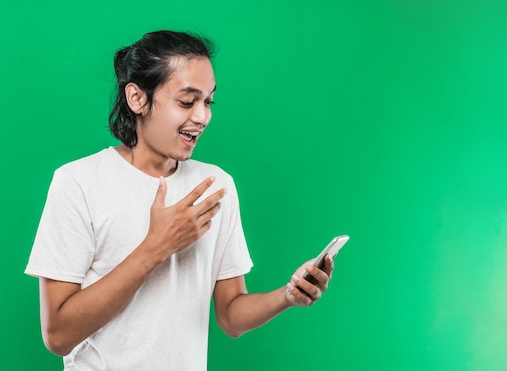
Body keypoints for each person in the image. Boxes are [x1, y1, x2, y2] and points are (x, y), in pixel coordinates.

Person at [25, 30, 334, 371]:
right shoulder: (78, 183)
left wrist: (287, 296)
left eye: (208, 102)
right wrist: (156, 247)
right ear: (137, 98)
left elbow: (231, 315)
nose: (202, 117)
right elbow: (58, 334)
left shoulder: (215, 186)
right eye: (187, 101)